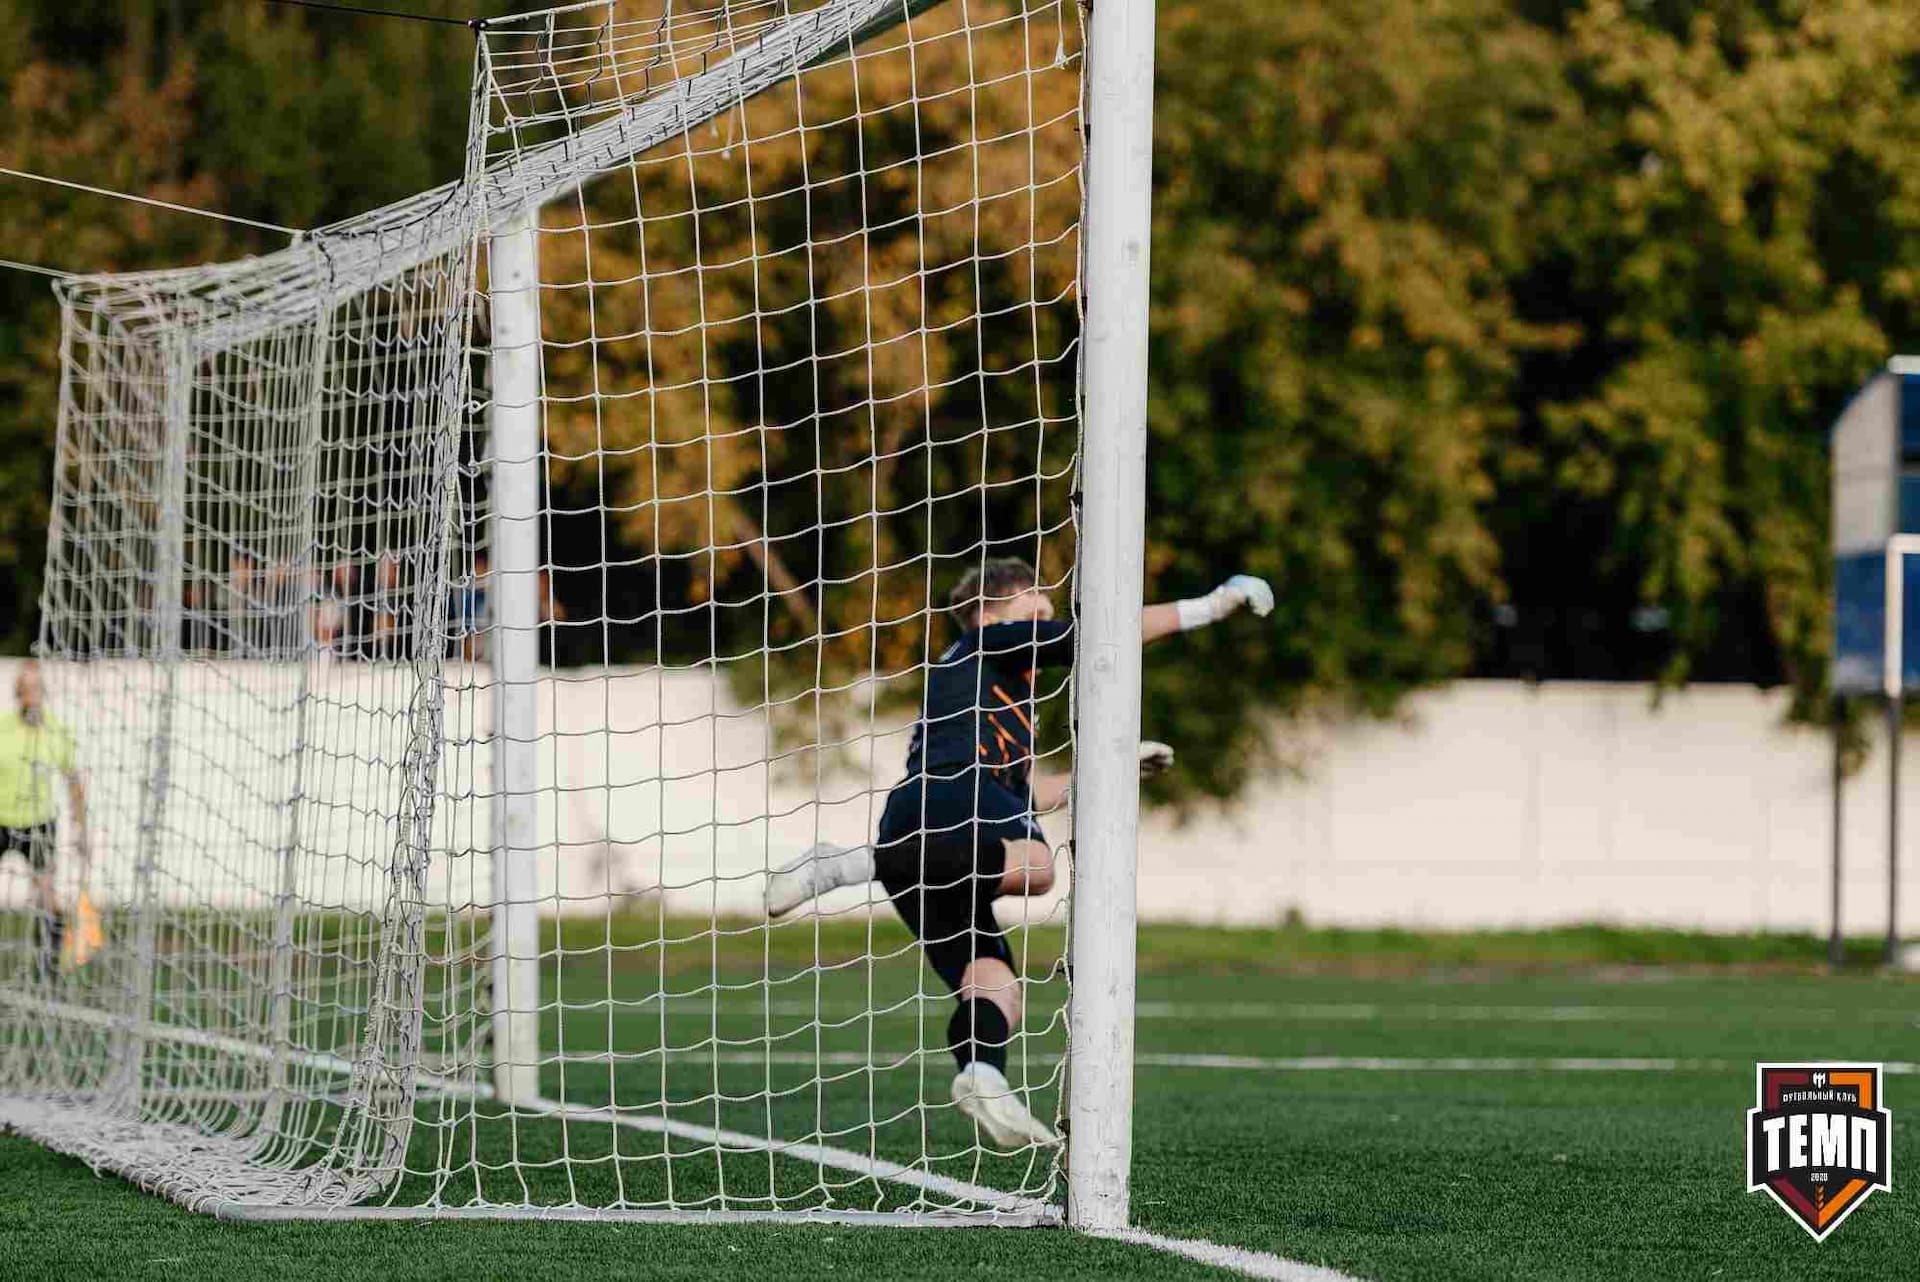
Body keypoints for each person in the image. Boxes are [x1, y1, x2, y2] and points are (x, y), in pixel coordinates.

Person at [763, 557, 1272, 1148]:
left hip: (925, 835)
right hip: (950, 800)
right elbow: (1103, 633)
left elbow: (1024, 795)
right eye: (1037, 605)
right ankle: (849, 864)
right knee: (1037, 865)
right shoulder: (986, 641)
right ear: (994, 608)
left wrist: (1111, 767)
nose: (1047, 616)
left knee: (996, 985)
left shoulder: (992, 698)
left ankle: (981, 1078)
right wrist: (1211, 606)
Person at [0, 660, 90, 979]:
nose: (32, 694)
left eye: (38, 688)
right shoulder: (3, 727)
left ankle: (49, 968)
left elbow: (73, 780)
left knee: (47, 897)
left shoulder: (56, 730)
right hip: (2, 819)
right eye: (26, 688)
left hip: (38, 823)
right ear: (18, 692)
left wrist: (82, 829)